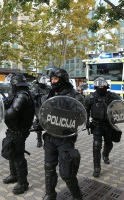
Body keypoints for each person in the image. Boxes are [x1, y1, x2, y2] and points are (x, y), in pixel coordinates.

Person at [42, 68, 84, 200]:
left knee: (67, 172)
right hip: (50, 136)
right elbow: (44, 112)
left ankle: (77, 197)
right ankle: (50, 194)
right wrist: (40, 122)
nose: (52, 81)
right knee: (49, 167)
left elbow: (82, 117)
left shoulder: (75, 96)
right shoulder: (49, 94)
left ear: (63, 79)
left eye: (55, 79)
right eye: (51, 79)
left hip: (65, 138)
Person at [2, 73, 35, 195]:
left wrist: (0, 113)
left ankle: (23, 183)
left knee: (18, 156)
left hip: (19, 130)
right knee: (12, 152)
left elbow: (12, 113)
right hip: (13, 129)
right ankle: (13, 175)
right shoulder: (19, 94)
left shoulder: (22, 95)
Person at [85, 76, 121, 178]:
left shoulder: (112, 96)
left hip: (109, 125)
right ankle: (97, 167)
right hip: (96, 125)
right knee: (96, 146)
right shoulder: (90, 98)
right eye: (98, 87)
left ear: (106, 87)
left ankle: (105, 155)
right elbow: (86, 110)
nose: (101, 89)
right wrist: (86, 122)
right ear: (95, 87)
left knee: (109, 144)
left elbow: (120, 105)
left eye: (103, 87)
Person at [30, 75, 51, 148]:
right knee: (39, 122)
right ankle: (39, 140)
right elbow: (31, 95)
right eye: (42, 79)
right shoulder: (35, 87)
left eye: (44, 79)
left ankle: (48, 140)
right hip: (39, 106)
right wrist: (36, 94)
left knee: (49, 122)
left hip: (48, 107)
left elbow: (53, 93)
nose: (44, 81)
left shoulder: (48, 87)